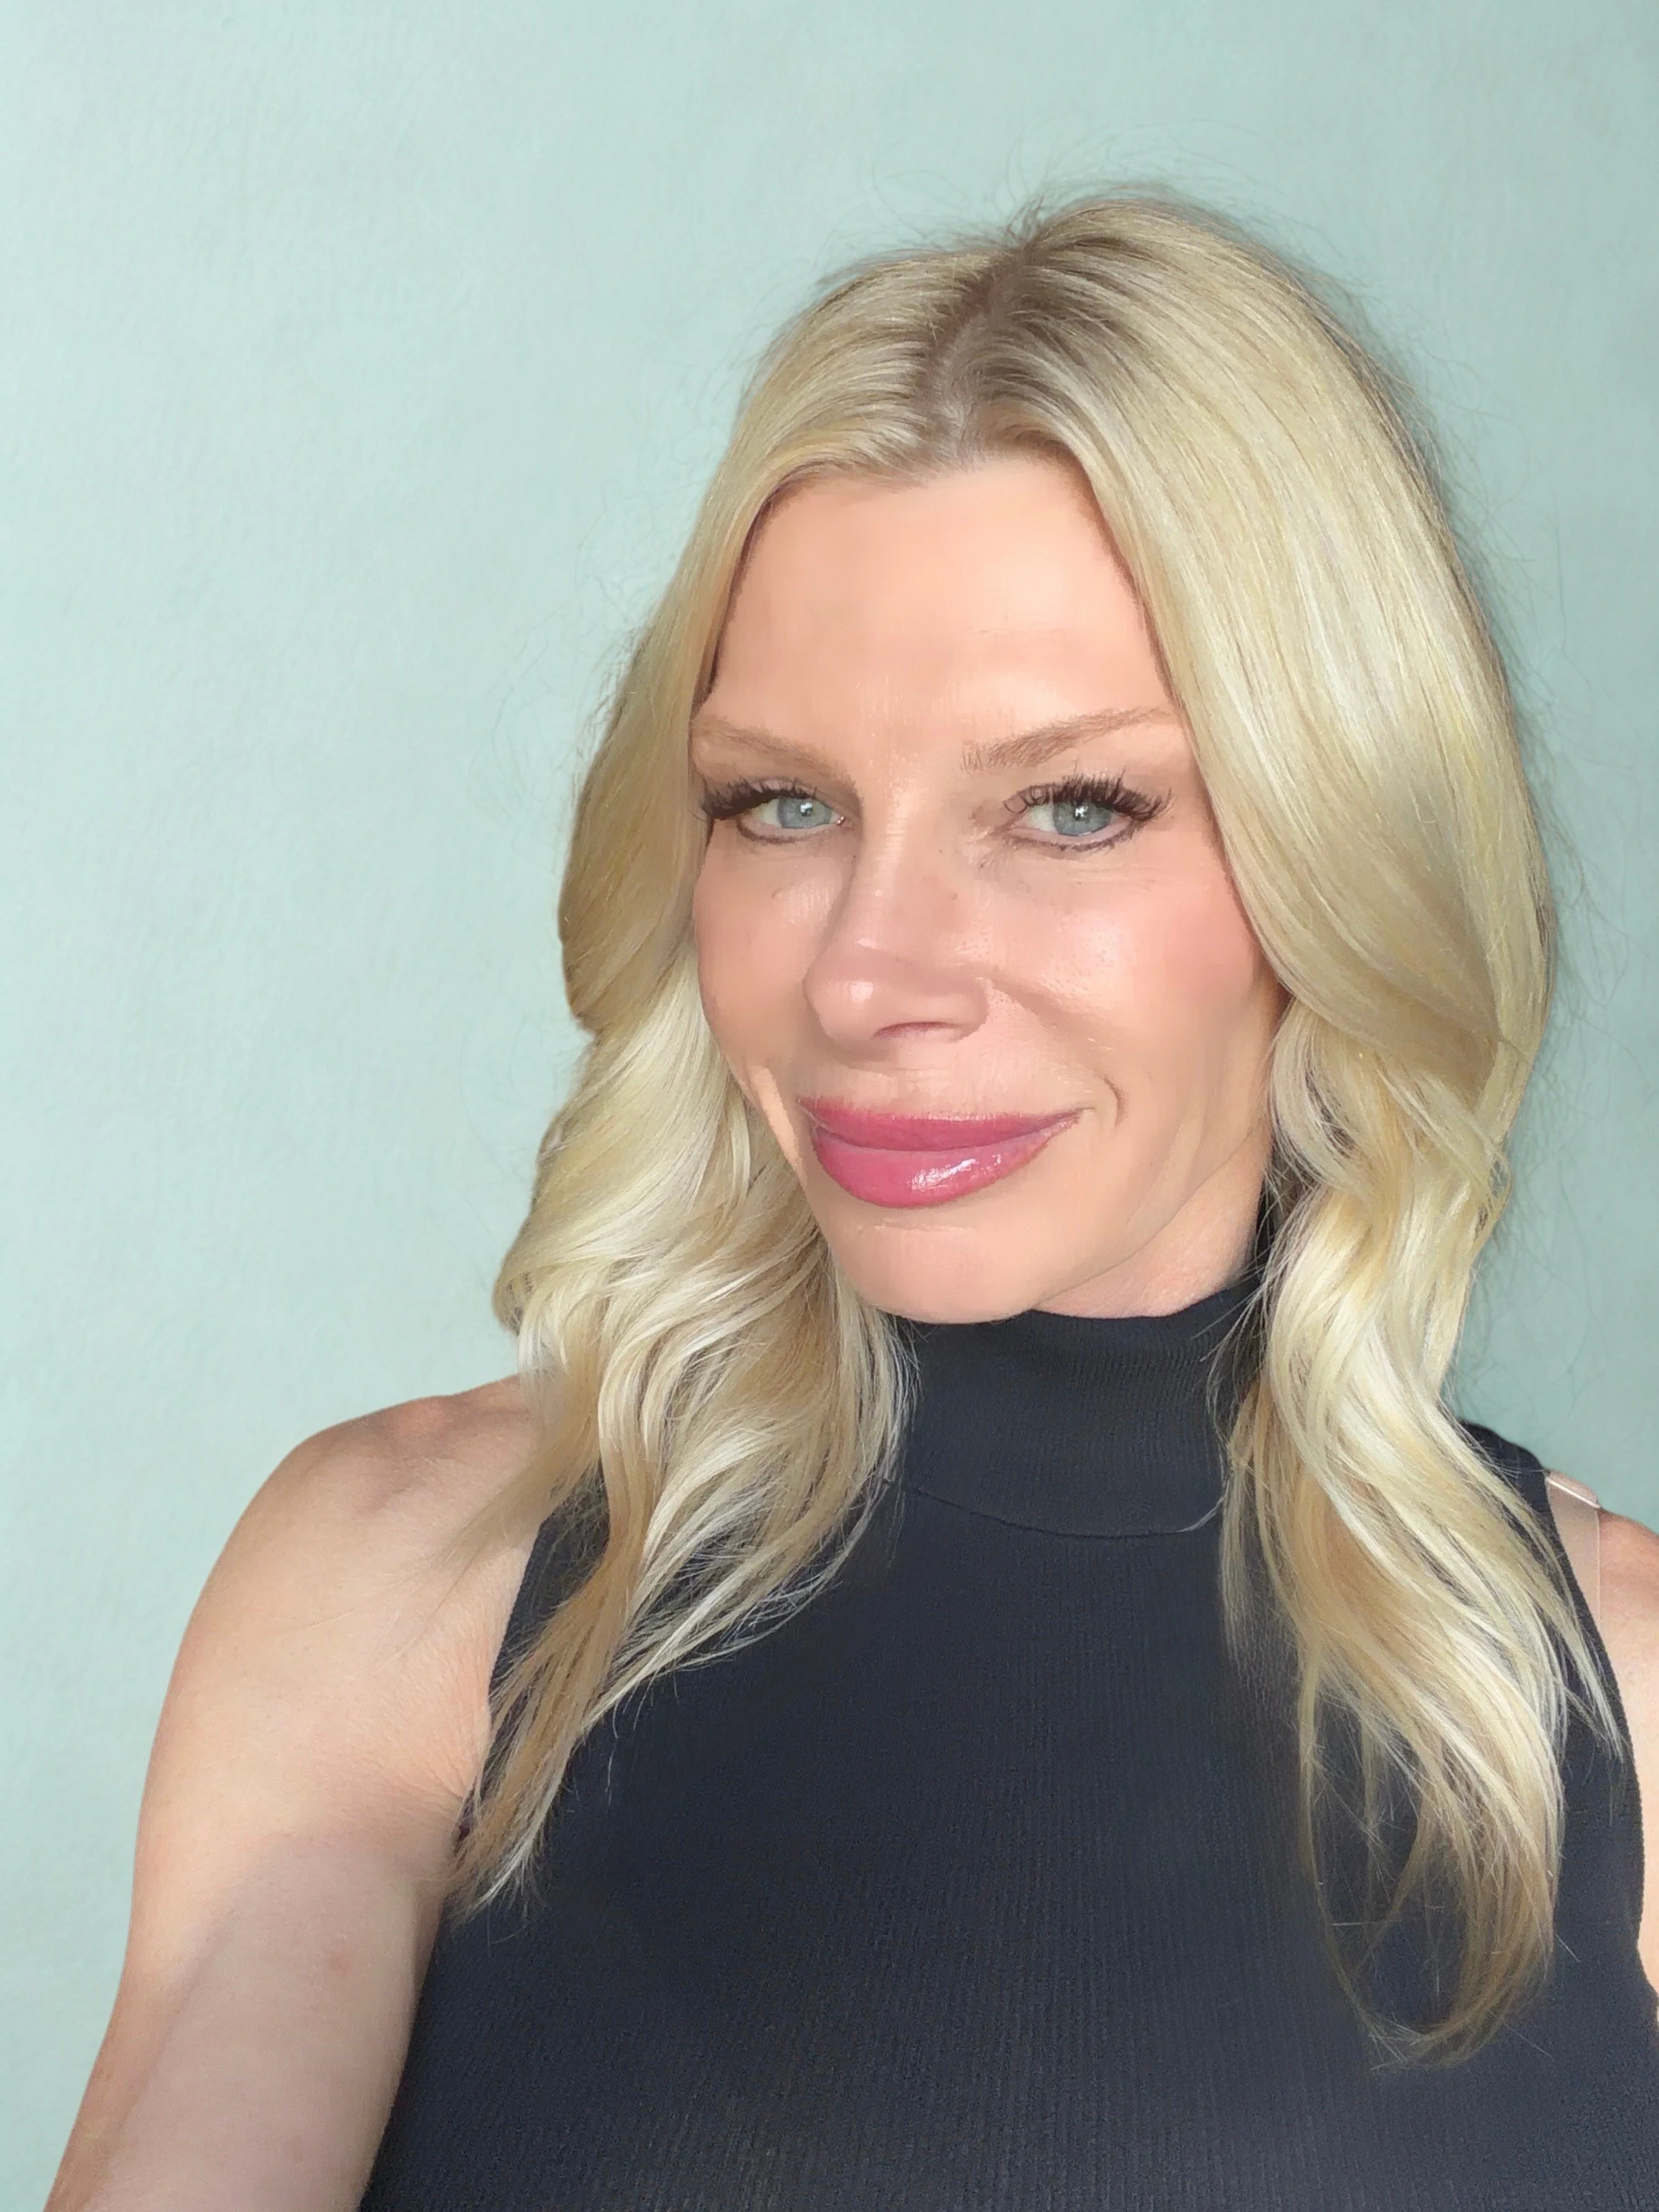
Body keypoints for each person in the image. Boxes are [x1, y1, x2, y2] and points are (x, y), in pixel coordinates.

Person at [49, 193, 1659, 2212]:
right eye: (782, 804)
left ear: (1337, 858)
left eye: (1069, 807)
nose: (866, 975)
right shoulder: (406, 1585)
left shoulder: (1617, 1696)